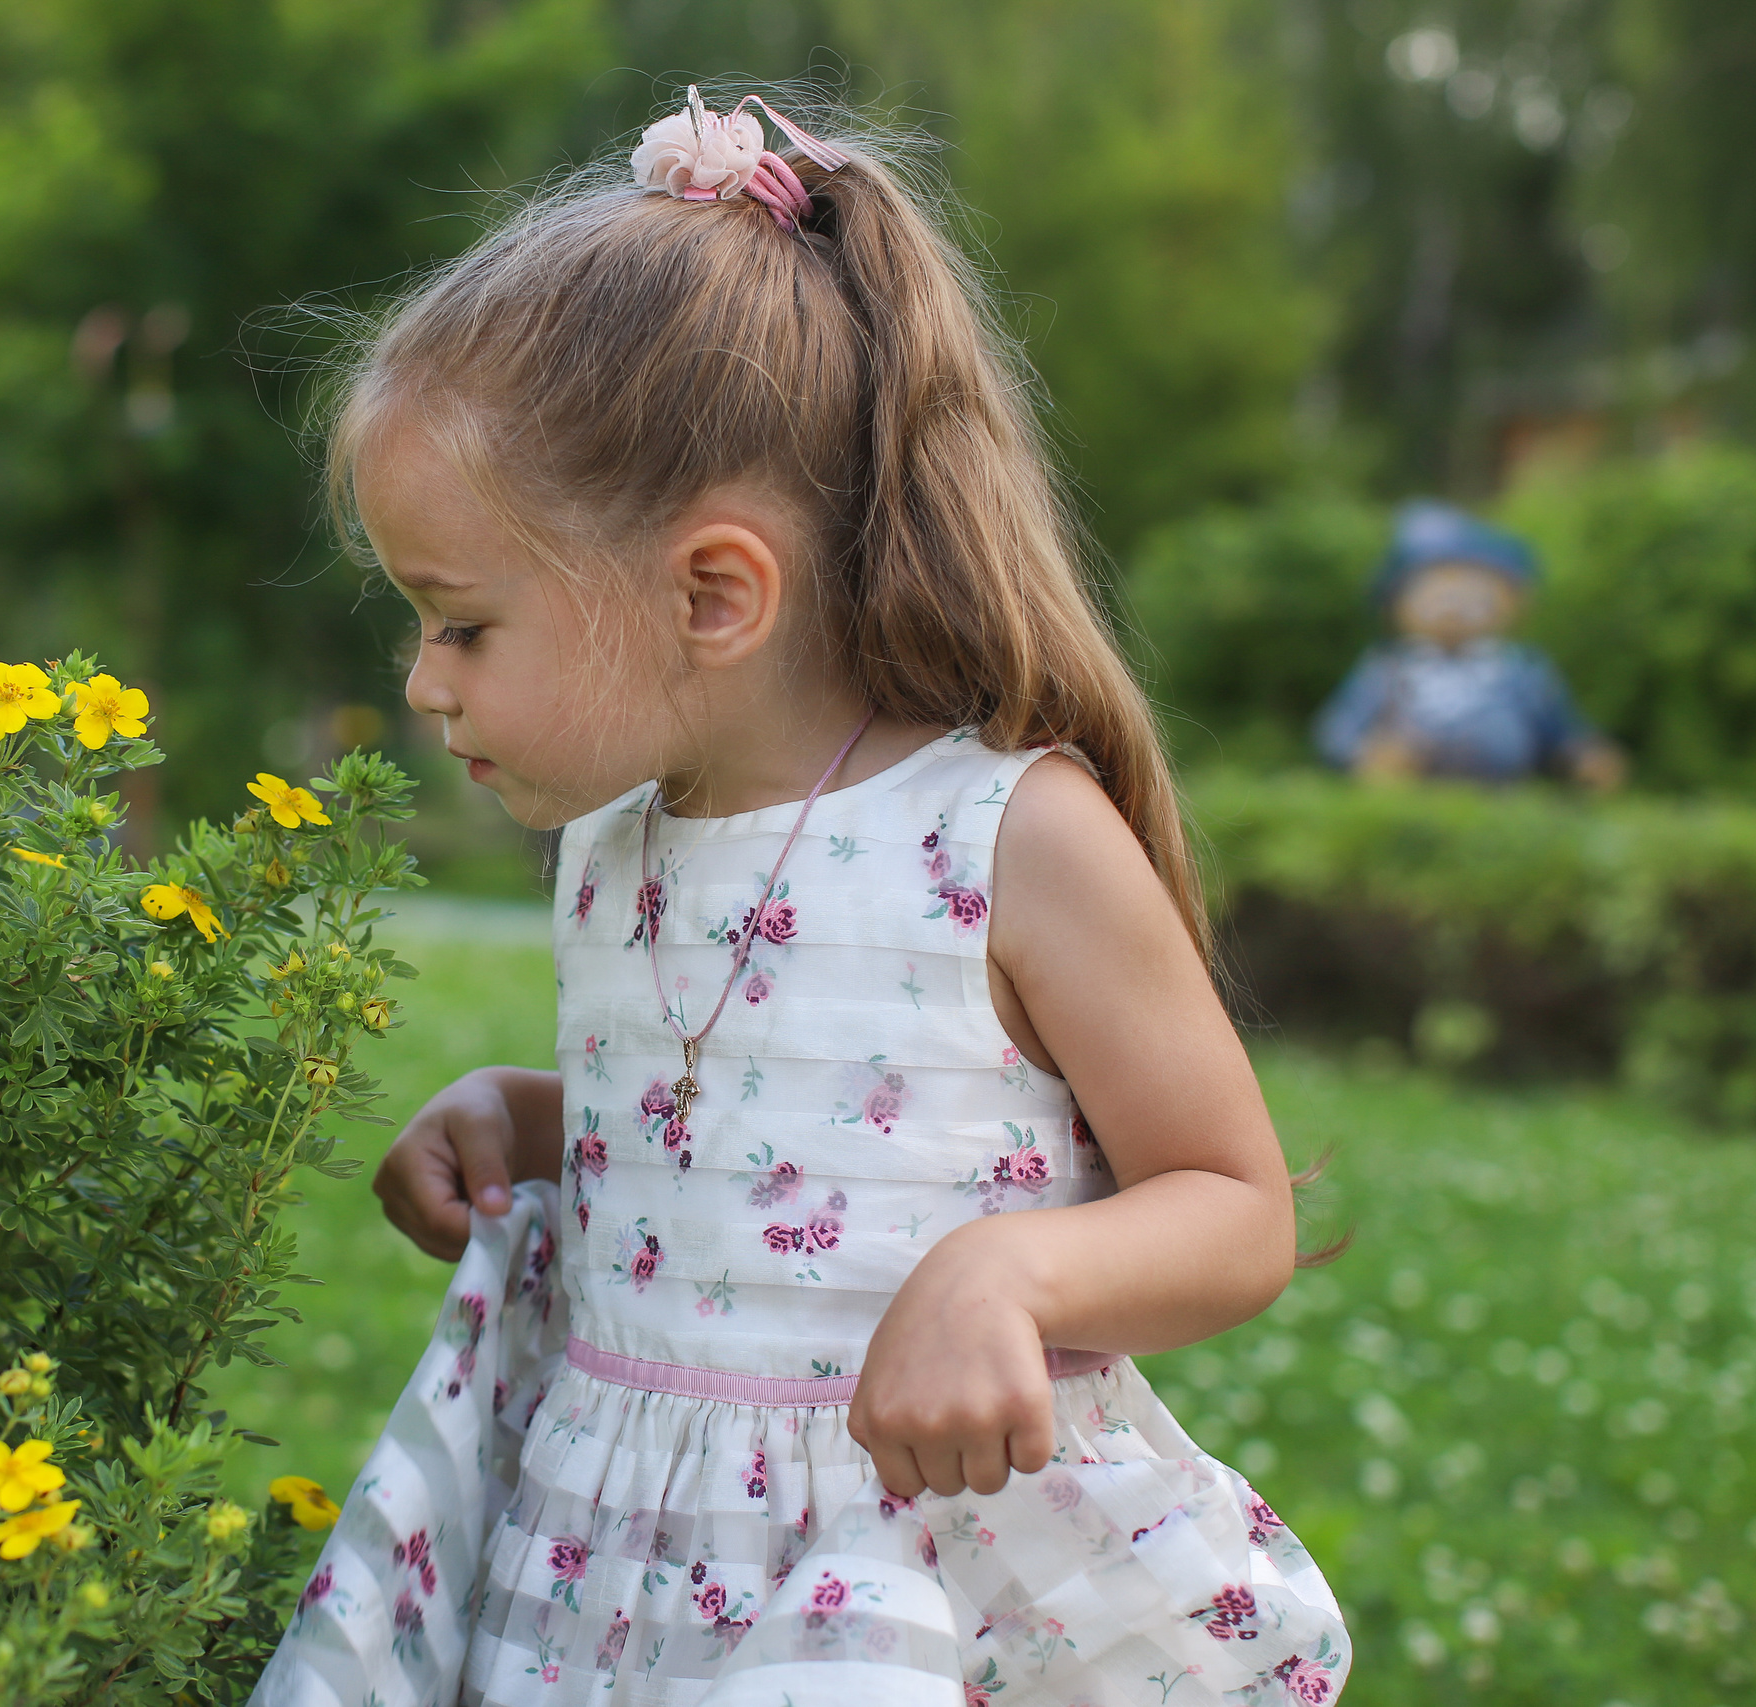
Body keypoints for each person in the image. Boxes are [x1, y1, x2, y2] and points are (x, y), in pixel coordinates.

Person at [252, 88, 1347, 1707]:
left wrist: (1008, 1272)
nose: (423, 685)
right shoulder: (619, 842)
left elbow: (1237, 1204)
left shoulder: (1007, 836)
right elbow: (765, 1120)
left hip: (912, 1562)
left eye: (462, 623)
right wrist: (544, 1119)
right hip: (625, 1561)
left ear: (713, 593)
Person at [1313, 501, 1625, 787]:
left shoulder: (1523, 671)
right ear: (1396, 603)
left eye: (1476, 597)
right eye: (1437, 596)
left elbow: (1560, 729)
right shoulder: (1385, 669)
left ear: (1515, 604)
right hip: (1405, 803)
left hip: (1503, 808)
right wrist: (1365, 755)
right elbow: (1336, 730)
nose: (1454, 610)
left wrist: (1583, 757)